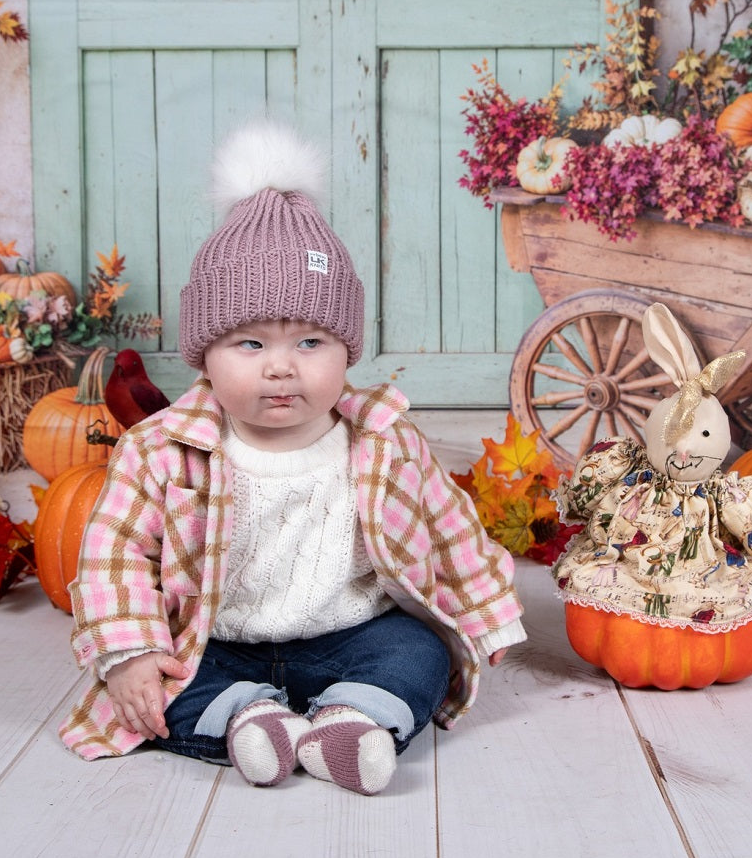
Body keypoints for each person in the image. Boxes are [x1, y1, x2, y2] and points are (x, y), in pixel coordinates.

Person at [59, 121, 526, 795]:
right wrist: (130, 653)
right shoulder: (160, 450)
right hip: (212, 640)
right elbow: (115, 556)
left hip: (350, 634)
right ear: (204, 356)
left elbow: (451, 530)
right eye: (249, 345)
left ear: (347, 352)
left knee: (420, 652)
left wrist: (487, 611)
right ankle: (247, 720)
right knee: (159, 689)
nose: (281, 368)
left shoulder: (385, 441)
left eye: (311, 342)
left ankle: (355, 718)